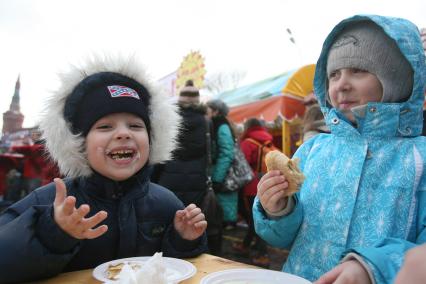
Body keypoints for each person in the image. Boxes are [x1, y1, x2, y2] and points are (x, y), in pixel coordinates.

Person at [0, 55, 208, 283]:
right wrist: (54, 232)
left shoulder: (167, 203)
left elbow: (175, 269)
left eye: (136, 126)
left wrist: (183, 239)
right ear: (79, 143)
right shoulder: (50, 201)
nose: (123, 133)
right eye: (105, 126)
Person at [253, 15, 426, 284]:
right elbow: (284, 237)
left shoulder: (419, 158)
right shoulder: (312, 150)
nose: (341, 84)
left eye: (358, 70)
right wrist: (278, 210)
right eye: (334, 74)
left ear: (396, 77)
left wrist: (373, 268)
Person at [152, 80, 222, 255]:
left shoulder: (170, 120)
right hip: (197, 181)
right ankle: (191, 253)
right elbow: (212, 152)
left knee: (168, 221)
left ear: (180, 99)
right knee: (192, 221)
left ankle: (164, 256)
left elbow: (160, 153)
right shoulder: (207, 122)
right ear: (197, 100)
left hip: (168, 179)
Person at [232, 118, 271, 267]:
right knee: (256, 218)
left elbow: (242, 164)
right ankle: (246, 245)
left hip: (251, 186)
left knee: (256, 220)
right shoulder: (268, 140)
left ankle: (263, 255)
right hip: (266, 183)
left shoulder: (248, 143)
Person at [206, 99, 236, 231]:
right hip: (221, 176)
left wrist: (217, 178)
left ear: (215, 111)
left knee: (222, 222)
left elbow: (226, 153)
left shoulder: (221, 125)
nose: (205, 111)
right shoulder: (217, 124)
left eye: (208, 109)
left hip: (224, 179)